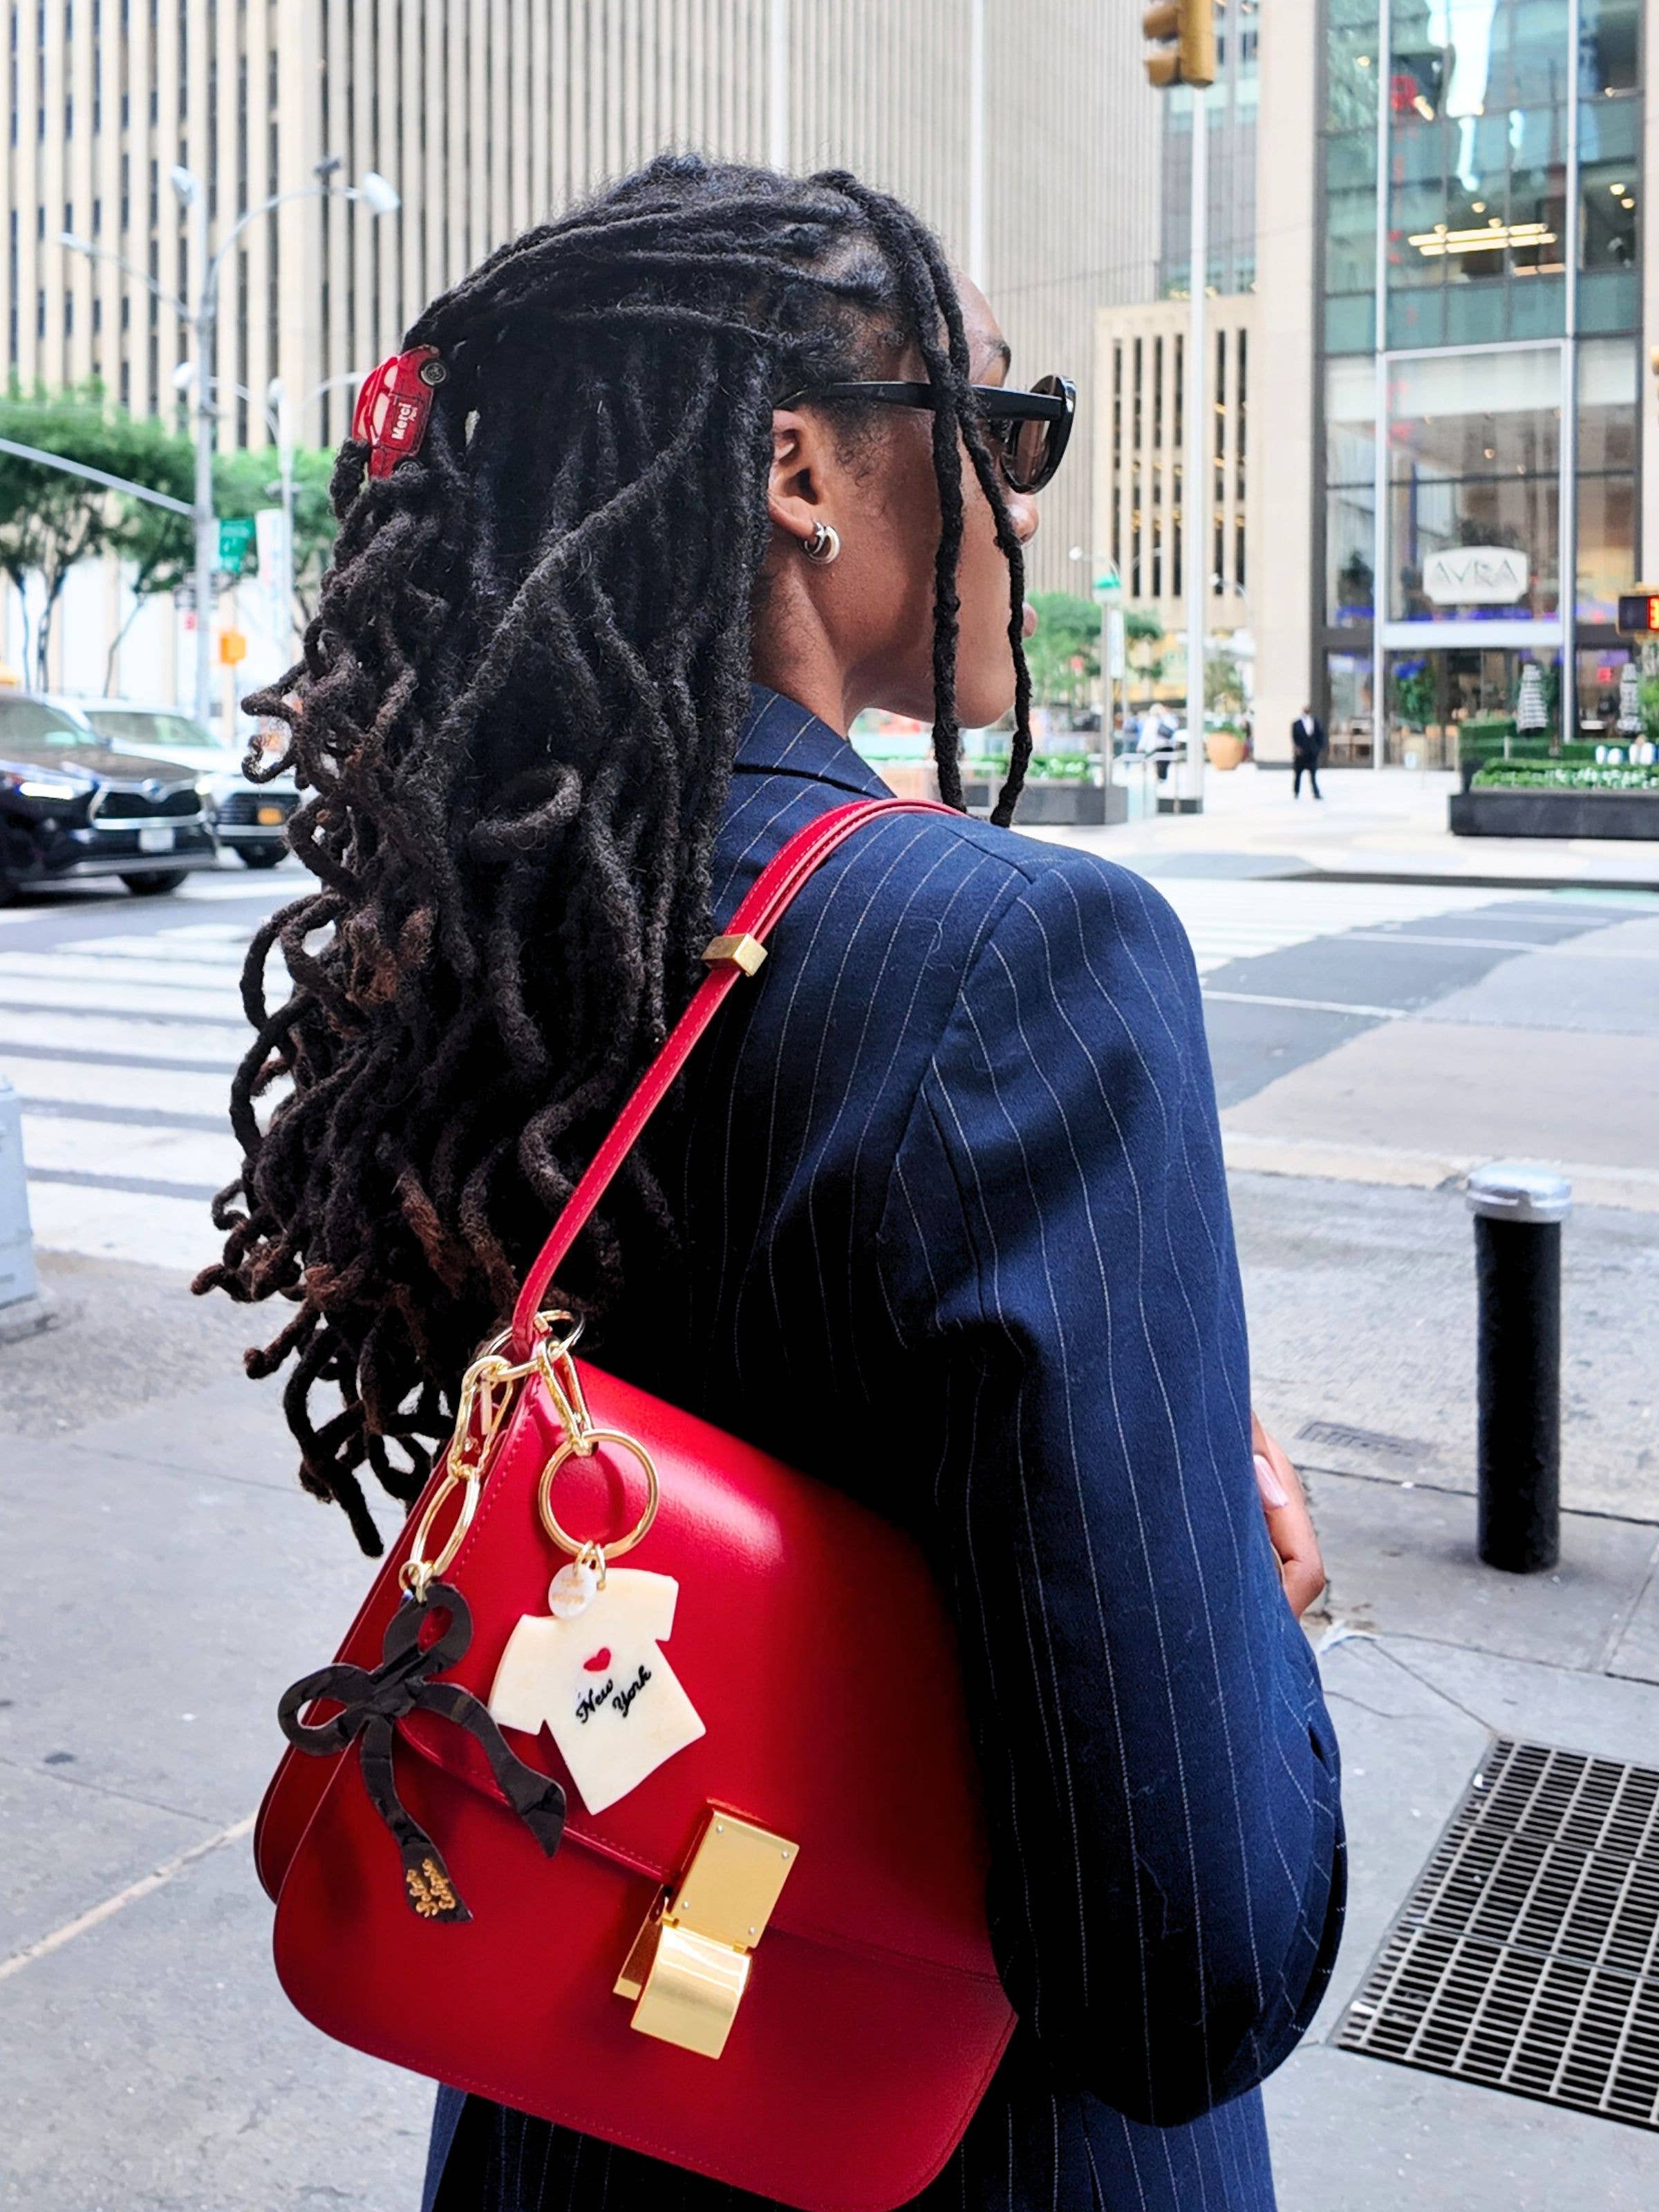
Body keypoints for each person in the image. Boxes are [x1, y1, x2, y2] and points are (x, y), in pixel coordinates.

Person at [203, 156, 1343, 2212]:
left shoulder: (496, 920)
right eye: (1002, 428)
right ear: (800, 468)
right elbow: (1182, 1964)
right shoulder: (1013, 957)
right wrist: (1247, 1612)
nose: (1020, 503)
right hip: (938, 2139)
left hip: (563, 2067)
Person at [1292, 704, 1327, 798]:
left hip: (1312, 754)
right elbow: (1294, 738)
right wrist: (1297, 748)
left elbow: (1320, 736)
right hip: (1301, 754)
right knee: (1298, 774)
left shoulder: (1315, 723)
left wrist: (1318, 748)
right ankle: (1296, 792)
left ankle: (1316, 792)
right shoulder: (1297, 724)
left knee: (1313, 775)